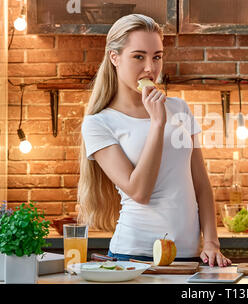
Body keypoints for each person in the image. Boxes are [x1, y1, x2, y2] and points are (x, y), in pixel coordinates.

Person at [78, 14, 231, 267]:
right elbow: (139, 191)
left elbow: (201, 183)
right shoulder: (99, 123)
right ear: (114, 57)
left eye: (156, 57)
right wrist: (157, 123)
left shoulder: (180, 108)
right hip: (134, 255)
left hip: (189, 255)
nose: (150, 68)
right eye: (139, 56)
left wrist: (211, 242)